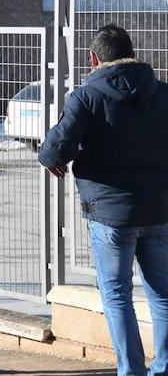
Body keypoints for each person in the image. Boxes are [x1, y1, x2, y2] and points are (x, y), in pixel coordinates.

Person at [39, 24, 168, 376]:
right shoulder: (163, 93)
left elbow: (54, 149)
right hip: (159, 209)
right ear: (133, 52)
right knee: (163, 295)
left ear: (93, 58)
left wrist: (55, 159)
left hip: (109, 214)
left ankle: (132, 371)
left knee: (116, 295)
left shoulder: (84, 96)